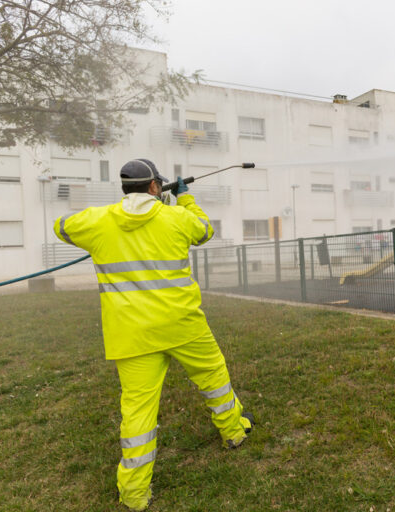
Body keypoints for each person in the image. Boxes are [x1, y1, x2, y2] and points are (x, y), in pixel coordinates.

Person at [53, 158, 254, 511]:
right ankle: (234, 432)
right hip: (183, 324)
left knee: (138, 411)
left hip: (131, 335)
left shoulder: (98, 221)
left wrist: (114, 217)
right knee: (214, 379)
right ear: (154, 186)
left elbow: (62, 227)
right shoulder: (177, 217)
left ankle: (134, 495)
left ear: (125, 188)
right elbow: (205, 230)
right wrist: (184, 198)